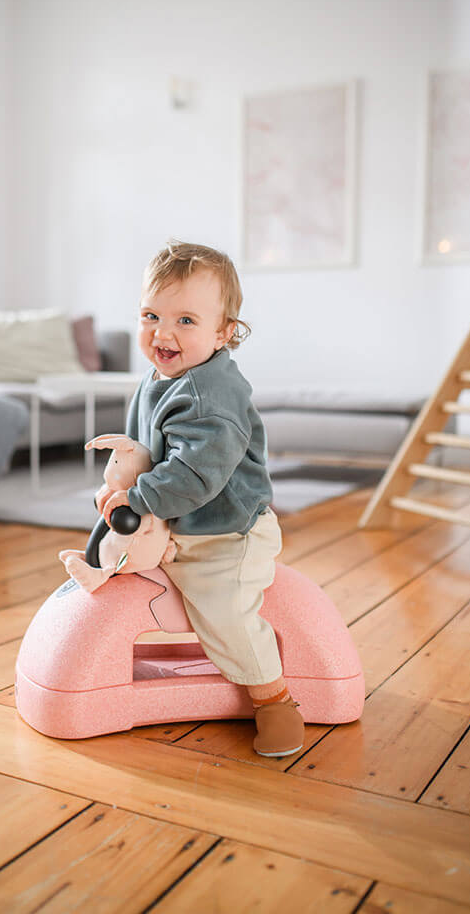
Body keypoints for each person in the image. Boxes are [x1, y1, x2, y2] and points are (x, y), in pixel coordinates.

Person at [97, 241, 305, 757]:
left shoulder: (212, 396)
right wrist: (120, 488)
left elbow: (194, 473)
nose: (162, 333)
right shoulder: (159, 377)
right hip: (176, 519)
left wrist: (139, 499)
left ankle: (274, 699)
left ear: (224, 332)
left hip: (224, 532)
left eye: (185, 320)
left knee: (223, 609)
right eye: (151, 315)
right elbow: (144, 449)